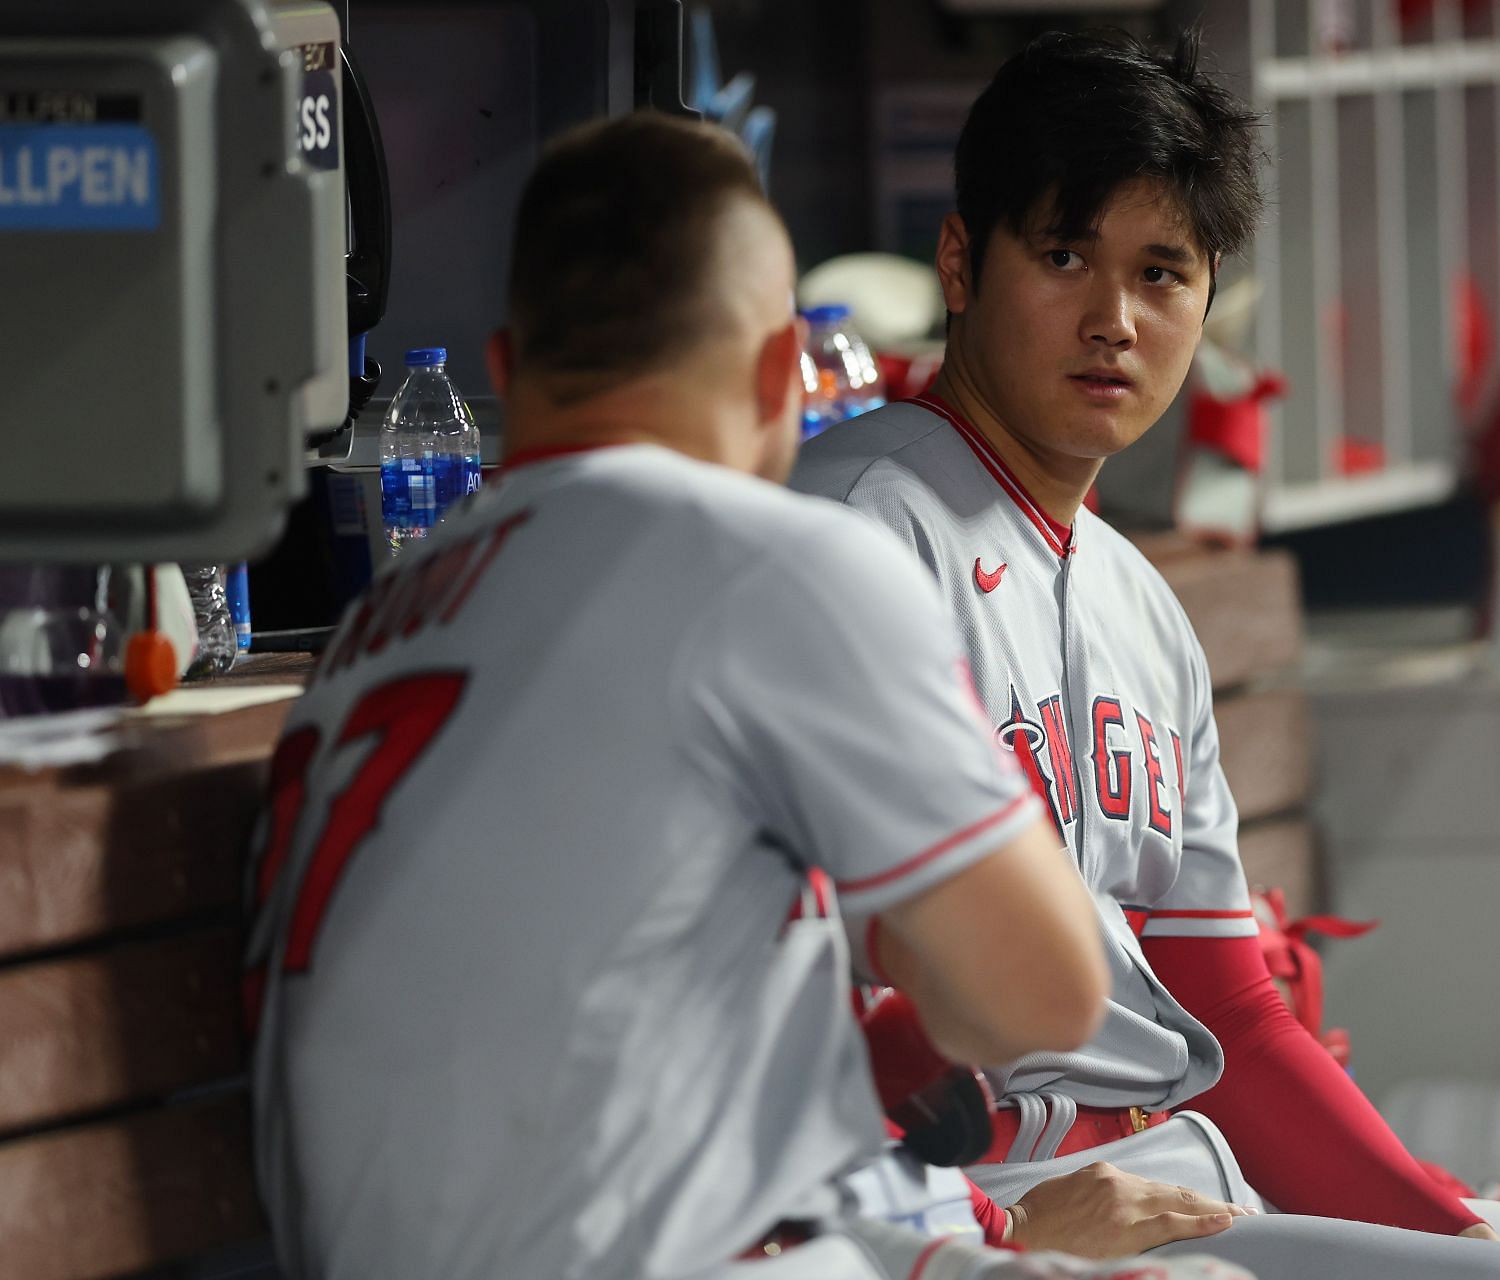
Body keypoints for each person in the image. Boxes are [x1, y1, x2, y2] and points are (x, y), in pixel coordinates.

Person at [793, 28, 1500, 1280]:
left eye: (1162, 273)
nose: (1112, 319)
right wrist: (981, 1231)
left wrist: (1449, 1221)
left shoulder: (1140, 603)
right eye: (1062, 256)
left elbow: (1236, 1014)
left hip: (1184, 1162)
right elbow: (785, 976)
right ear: (959, 260)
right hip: (1004, 1193)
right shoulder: (854, 528)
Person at [242, 111, 1247, 1280]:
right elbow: (1043, 991)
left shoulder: (376, 624)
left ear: (509, 367)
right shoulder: (763, 557)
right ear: (782, 375)